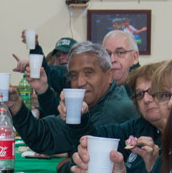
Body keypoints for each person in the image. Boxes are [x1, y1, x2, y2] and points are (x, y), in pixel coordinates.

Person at [10, 40, 139, 156]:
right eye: (74, 75)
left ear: (109, 75)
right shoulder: (91, 103)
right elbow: (45, 136)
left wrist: (65, 166)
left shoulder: (115, 109)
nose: (80, 82)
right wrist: (16, 106)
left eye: (89, 73)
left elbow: (85, 156)